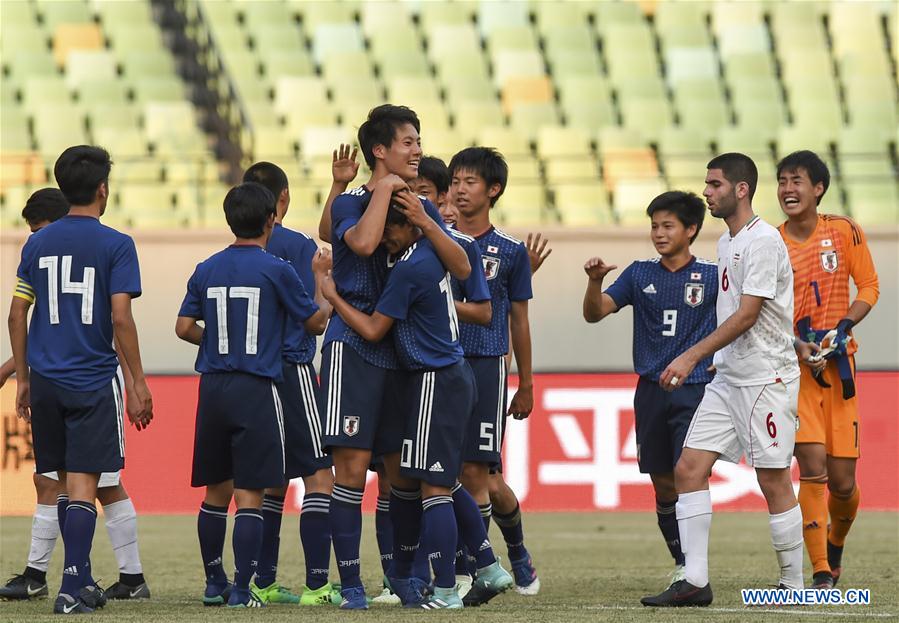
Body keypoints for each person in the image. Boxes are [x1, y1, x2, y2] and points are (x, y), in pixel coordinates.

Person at [317, 104, 469, 609]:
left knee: (401, 475)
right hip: (353, 346)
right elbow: (360, 244)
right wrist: (377, 189)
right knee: (353, 470)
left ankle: (402, 576)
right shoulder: (356, 201)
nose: (417, 150)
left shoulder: (414, 203)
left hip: (398, 353)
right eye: (408, 141)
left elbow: (459, 264)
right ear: (379, 151)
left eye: (418, 140)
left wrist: (421, 215)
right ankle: (352, 584)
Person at [321, 200, 507, 609]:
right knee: (444, 480)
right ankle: (490, 565)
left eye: (392, 229)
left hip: (435, 379)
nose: (385, 236)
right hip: (451, 375)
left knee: (434, 488)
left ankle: (444, 591)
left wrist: (333, 295)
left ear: (413, 227)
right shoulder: (429, 253)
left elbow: (372, 329)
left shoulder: (409, 267)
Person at [643, 153, 803, 607]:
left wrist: (693, 354)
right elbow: (737, 312)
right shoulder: (726, 243)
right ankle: (694, 581)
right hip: (730, 377)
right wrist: (719, 358)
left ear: (740, 189)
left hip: (766, 378)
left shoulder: (764, 241)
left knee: (773, 480)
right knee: (687, 470)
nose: (706, 192)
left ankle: (792, 586)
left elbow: (750, 314)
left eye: (714, 184)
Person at [9, 146, 153, 614]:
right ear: (103, 189)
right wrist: (137, 381)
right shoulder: (116, 244)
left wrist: (23, 378)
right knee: (87, 486)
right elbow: (121, 318)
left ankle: (76, 580)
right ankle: (74, 586)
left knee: (59, 481)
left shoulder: (36, 244)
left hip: (46, 380)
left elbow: (17, 311)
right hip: (91, 378)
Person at [175, 182, 329, 608]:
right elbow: (315, 322)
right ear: (270, 220)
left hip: (213, 388)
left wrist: (219, 343)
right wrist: (321, 281)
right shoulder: (276, 269)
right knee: (251, 495)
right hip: (257, 387)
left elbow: (184, 328)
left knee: (214, 493)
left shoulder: (206, 267)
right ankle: (243, 590)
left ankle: (213, 583)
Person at [582, 191, 717, 599]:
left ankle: (696, 574)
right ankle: (683, 564)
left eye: (668, 225)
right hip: (651, 390)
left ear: (691, 230)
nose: (658, 233)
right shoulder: (640, 274)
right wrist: (594, 281)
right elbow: (594, 312)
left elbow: (741, 318)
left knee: (687, 474)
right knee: (662, 483)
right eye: (654, 225)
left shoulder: (712, 276)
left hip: (695, 391)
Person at [775, 150, 879, 589]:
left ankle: (835, 542)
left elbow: (869, 286)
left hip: (840, 370)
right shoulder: (771, 242)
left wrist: (845, 324)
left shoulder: (844, 231)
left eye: (797, 180)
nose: (787, 189)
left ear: (818, 188)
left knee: (843, 482)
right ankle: (820, 570)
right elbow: (763, 311)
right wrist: (796, 344)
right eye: (781, 181)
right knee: (812, 467)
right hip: (796, 372)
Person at [241, 162, 338, 606]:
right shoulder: (299, 246)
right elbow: (315, 322)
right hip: (293, 368)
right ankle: (318, 584)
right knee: (319, 477)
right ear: (282, 199)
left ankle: (261, 580)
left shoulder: (234, 251)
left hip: (250, 376)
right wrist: (322, 279)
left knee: (270, 480)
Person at [447, 147, 540, 601]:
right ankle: (489, 560)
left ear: (493, 190)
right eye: (455, 182)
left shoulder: (510, 251)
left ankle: (476, 569)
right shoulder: (434, 241)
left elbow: (519, 319)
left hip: (485, 365)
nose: (459, 190)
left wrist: (526, 382)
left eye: (469, 182)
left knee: (477, 473)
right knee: (447, 473)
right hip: (437, 365)